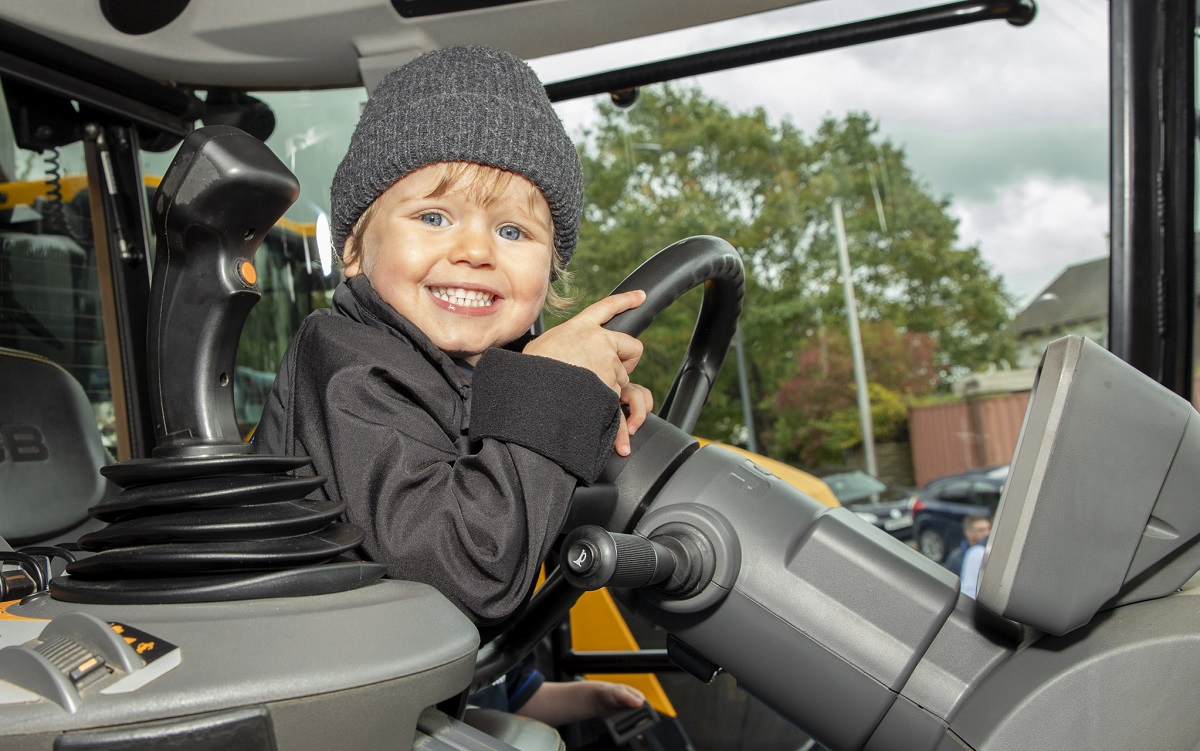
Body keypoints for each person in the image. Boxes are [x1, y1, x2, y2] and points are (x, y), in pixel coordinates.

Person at [254, 45, 652, 726]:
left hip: (415, 693)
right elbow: (456, 570)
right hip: (316, 712)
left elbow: (519, 525)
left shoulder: (479, 370)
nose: (475, 250)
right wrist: (551, 393)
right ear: (354, 249)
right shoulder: (347, 361)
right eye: (433, 217)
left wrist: (588, 406)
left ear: (550, 277)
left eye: (513, 229)